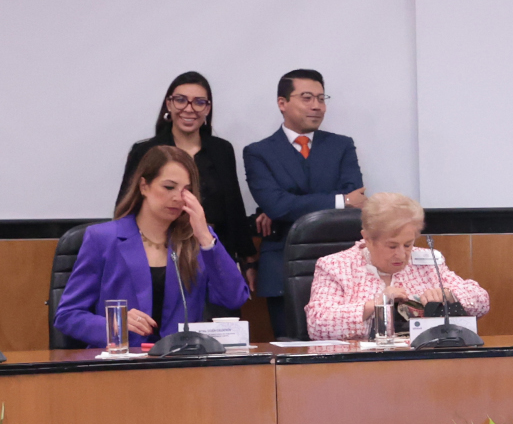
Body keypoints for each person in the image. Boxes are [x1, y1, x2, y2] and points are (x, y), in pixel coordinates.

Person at [56, 144, 250, 349]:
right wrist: (114, 325)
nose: (177, 198)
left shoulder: (197, 241)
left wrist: (205, 237)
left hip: (180, 360)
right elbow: (67, 315)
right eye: (169, 187)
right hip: (122, 360)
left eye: (186, 190)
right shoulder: (103, 239)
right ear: (144, 186)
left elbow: (234, 298)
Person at [244, 68, 365, 336]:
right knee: (290, 346)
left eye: (321, 98)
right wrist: (339, 200)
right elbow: (276, 205)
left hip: (339, 261)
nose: (317, 106)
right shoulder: (259, 152)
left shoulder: (341, 146)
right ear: (282, 103)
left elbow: (356, 200)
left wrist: (291, 205)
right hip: (284, 263)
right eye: (307, 98)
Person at [117, 71, 256, 271]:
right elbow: (127, 206)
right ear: (169, 104)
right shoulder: (146, 151)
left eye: (199, 102)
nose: (189, 109)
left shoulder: (222, 150)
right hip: (160, 252)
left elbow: (234, 206)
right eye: (181, 100)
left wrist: (248, 260)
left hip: (213, 249)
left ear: (208, 108)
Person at [306, 193, 490, 342]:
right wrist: (375, 305)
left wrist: (449, 295)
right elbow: (317, 325)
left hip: (424, 362)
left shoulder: (427, 261)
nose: (402, 255)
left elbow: (481, 301)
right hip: (361, 366)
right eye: (392, 246)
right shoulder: (335, 266)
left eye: (408, 244)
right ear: (368, 239)